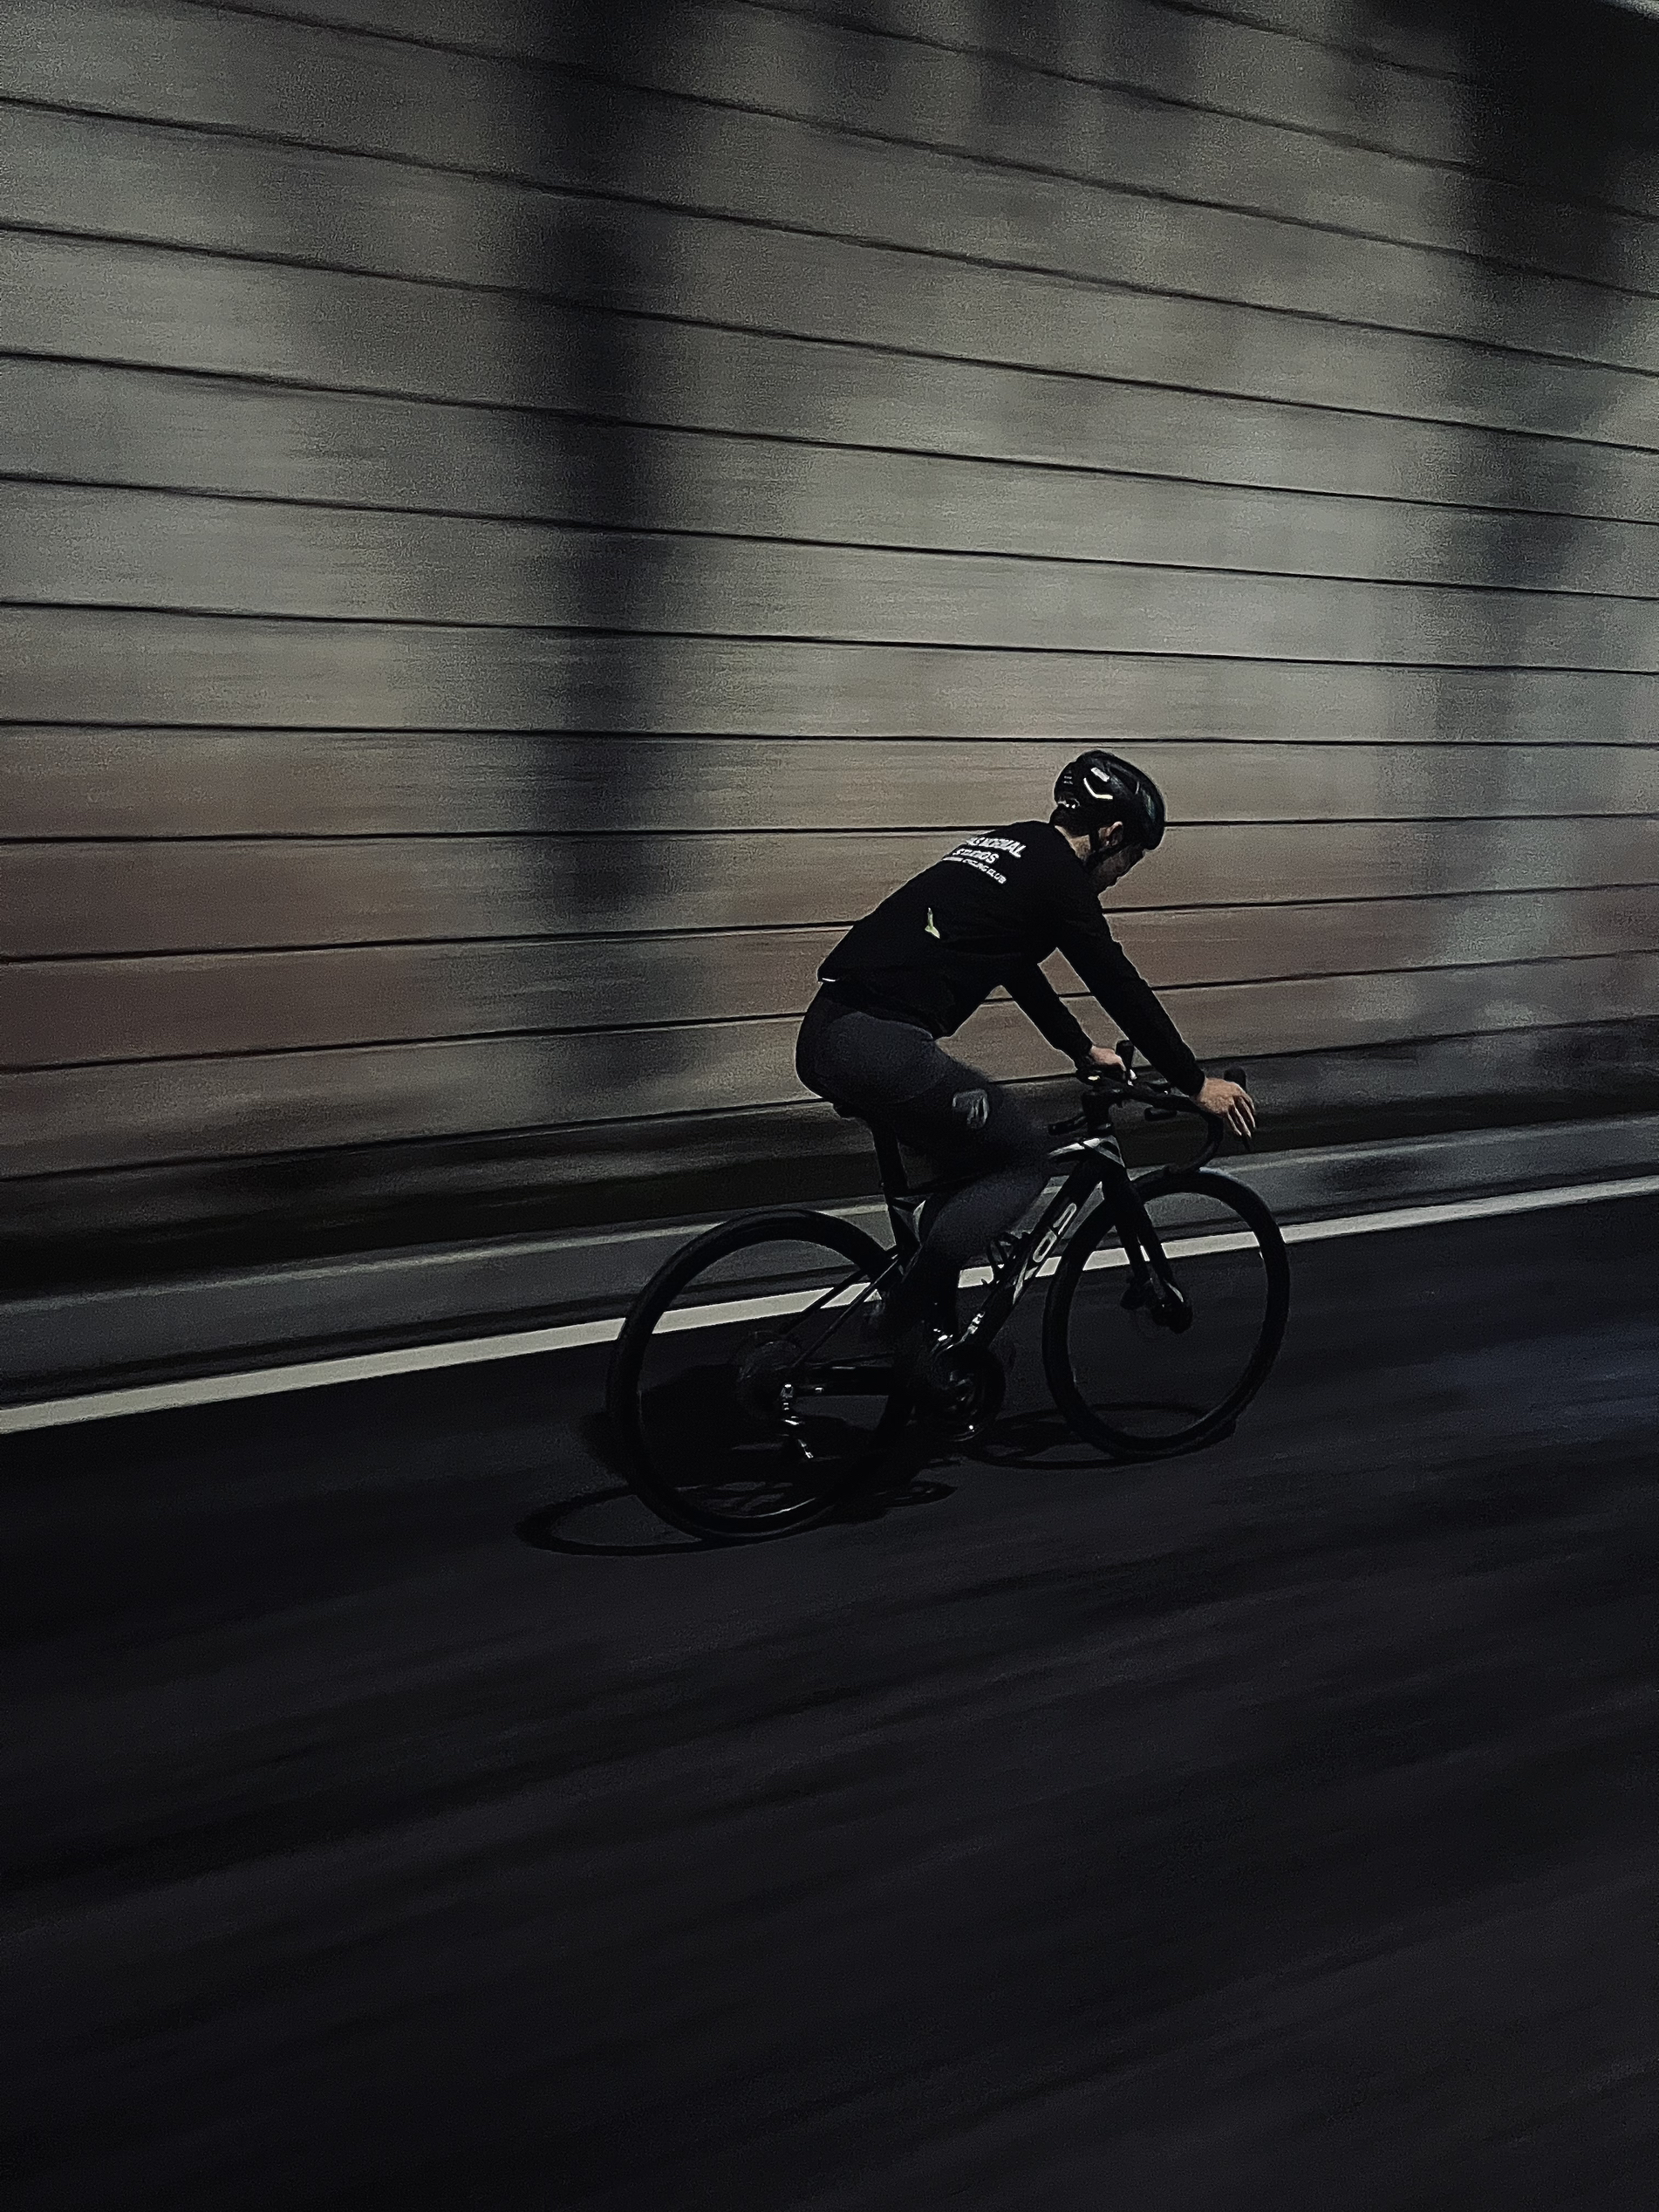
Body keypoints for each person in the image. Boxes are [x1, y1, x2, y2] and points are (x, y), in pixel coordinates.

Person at [795, 749, 1254, 1366]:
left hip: (833, 1029)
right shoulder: (1061, 877)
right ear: (1112, 834)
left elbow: (1012, 962)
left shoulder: (1014, 847)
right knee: (1023, 1157)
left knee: (961, 1175)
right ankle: (897, 1322)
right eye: (1132, 859)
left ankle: (929, 1351)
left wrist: (1079, 1047)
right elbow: (1116, 981)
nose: (1123, 875)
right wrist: (1194, 1082)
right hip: (876, 1044)